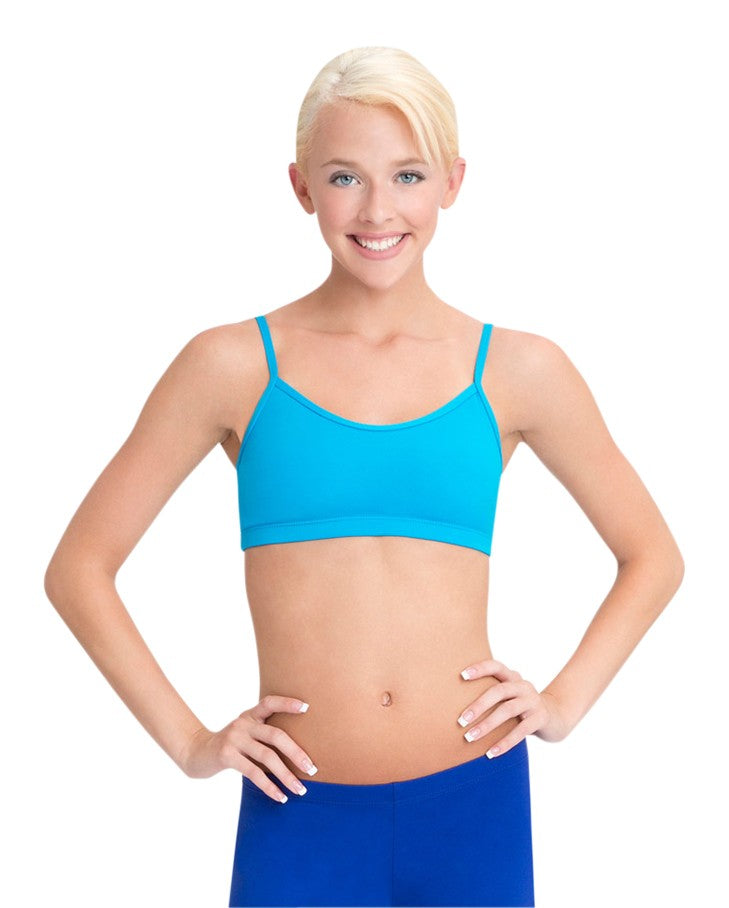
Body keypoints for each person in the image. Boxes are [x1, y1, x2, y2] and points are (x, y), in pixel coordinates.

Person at [44, 46, 684, 908]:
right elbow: (79, 569)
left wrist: (562, 704)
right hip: (296, 806)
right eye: (345, 177)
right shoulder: (232, 365)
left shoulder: (518, 369)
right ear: (300, 186)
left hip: (473, 800)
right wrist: (192, 743)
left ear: (452, 181)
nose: (378, 209)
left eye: (407, 175)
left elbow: (652, 556)